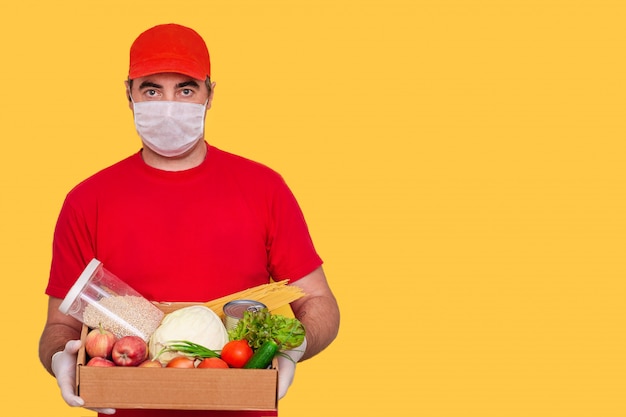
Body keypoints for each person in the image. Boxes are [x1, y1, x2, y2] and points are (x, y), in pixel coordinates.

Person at [38, 23, 340, 417]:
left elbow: (319, 301)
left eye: (185, 89)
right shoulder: (86, 200)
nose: (168, 106)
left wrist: (293, 350)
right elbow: (60, 325)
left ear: (210, 94)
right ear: (128, 94)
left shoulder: (265, 188)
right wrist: (61, 357)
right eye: (151, 90)